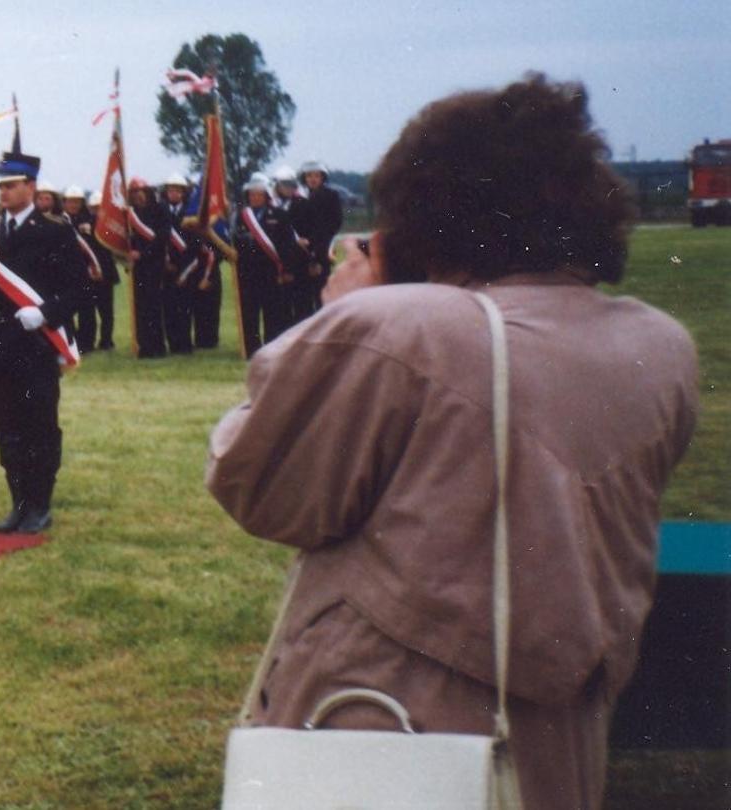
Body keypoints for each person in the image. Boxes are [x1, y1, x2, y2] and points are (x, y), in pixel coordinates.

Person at [205, 74, 699, 807]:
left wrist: (349, 314)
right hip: (557, 728)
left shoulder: (400, 332)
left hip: (389, 721)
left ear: (431, 207)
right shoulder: (659, 344)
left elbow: (263, 487)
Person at [0, 149, 84, 534]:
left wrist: (47, 313)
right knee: (7, 428)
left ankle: (39, 504)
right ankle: (17, 503)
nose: (3, 191)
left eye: (11, 185)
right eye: (1, 185)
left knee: (39, 427)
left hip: (36, 344)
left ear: (31, 187)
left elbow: (79, 289)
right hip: (0, 345)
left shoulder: (54, 230)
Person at [228, 177, 305, 356]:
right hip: (247, 272)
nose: (255, 198)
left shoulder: (279, 215)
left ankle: (272, 349)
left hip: (271, 271)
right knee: (249, 313)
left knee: (273, 312)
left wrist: (287, 269)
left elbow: (288, 245)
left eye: (259, 194)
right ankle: (251, 349)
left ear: (266, 196)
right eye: (252, 195)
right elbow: (234, 241)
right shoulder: (240, 216)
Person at [123, 177, 172, 358]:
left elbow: (162, 236)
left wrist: (142, 254)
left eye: (141, 191)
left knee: (153, 306)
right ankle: (144, 345)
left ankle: (157, 346)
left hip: (155, 263)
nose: (139, 196)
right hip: (137, 267)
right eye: (134, 192)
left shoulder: (160, 209)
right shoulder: (129, 213)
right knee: (140, 306)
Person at [66, 187, 118, 351]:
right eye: (71, 201)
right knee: (85, 311)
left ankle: (106, 341)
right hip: (83, 273)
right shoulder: (71, 221)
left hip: (105, 272)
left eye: (77, 202)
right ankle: (85, 343)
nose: (74, 205)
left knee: (106, 311)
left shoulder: (96, 223)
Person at [291, 159, 344, 318]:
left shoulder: (331, 196)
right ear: (304, 178)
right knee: (302, 300)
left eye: (316, 175)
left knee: (322, 297)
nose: (312, 179)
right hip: (301, 254)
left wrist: (314, 245)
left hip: (321, 251)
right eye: (309, 176)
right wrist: (300, 240)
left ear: (322, 177)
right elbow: (292, 223)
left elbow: (334, 223)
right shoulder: (297, 197)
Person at [159, 174, 197, 355]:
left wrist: (185, 271)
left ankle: (185, 344)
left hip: (186, 268)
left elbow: (195, 245)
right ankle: (172, 344)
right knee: (168, 308)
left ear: (184, 193)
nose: (174, 193)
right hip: (165, 267)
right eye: (170, 190)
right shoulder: (160, 211)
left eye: (178, 190)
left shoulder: (190, 213)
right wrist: (165, 262)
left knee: (185, 308)